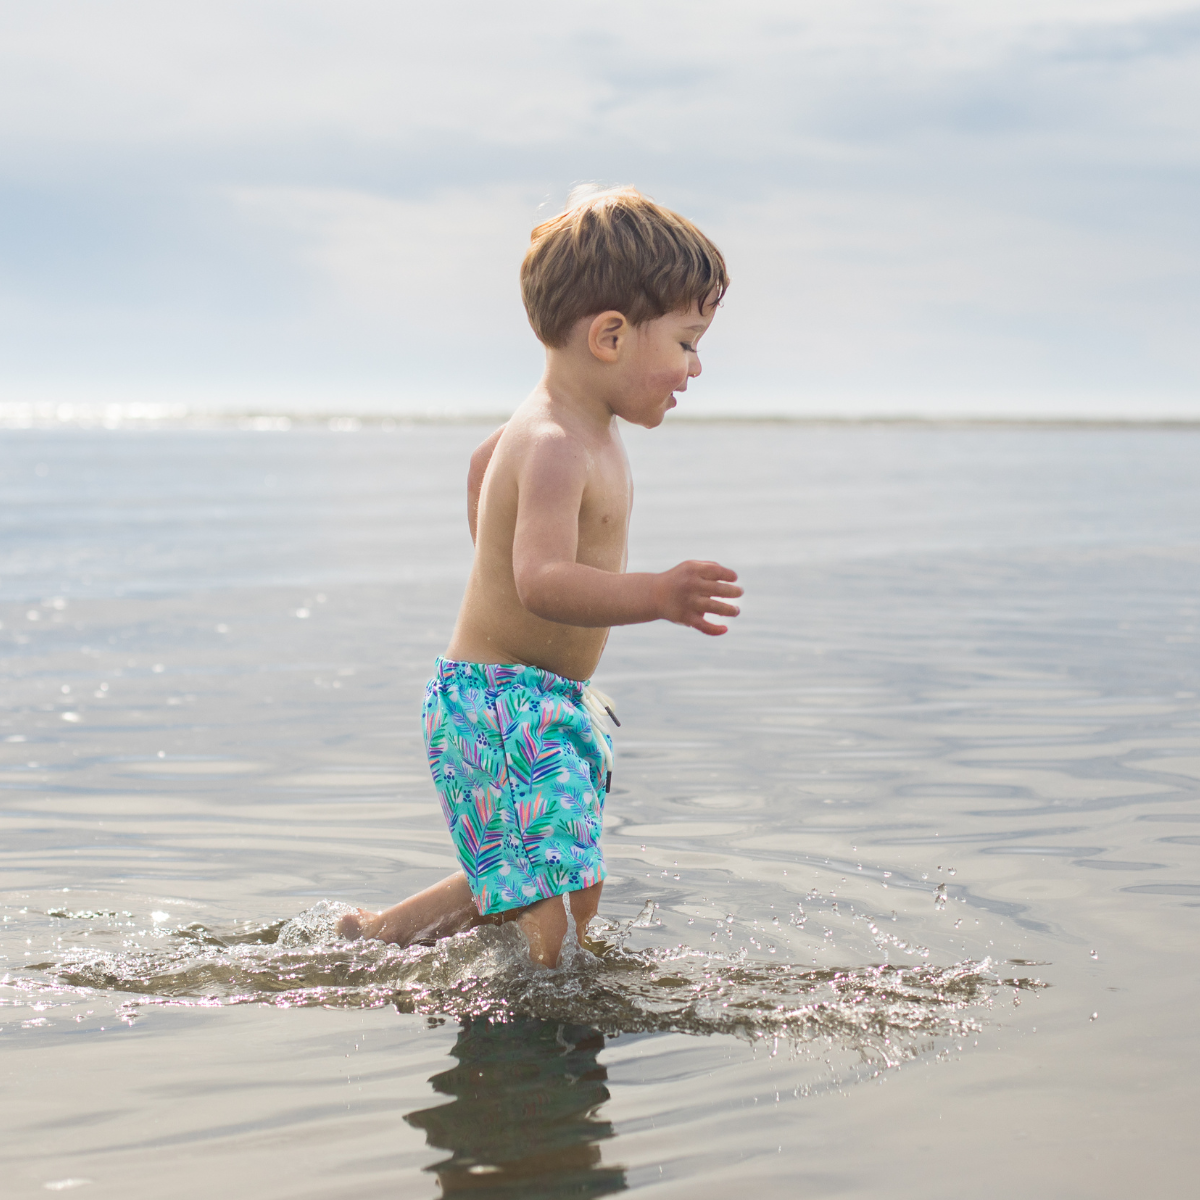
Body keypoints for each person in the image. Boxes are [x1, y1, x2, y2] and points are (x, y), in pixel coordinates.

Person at [338, 185, 741, 965]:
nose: (696, 365)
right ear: (611, 336)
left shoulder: (557, 429)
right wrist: (657, 594)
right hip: (498, 706)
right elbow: (542, 581)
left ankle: (379, 937)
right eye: (687, 342)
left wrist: (494, 545)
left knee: (565, 876)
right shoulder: (558, 441)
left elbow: (481, 468)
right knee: (545, 907)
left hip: (541, 701)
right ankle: (544, 1021)